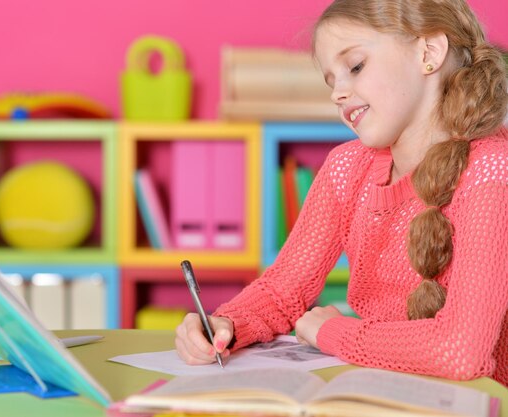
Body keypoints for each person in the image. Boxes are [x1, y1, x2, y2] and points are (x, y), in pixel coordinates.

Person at [175, 0, 508, 386]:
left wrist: (334, 333)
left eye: (355, 67)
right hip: (389, 391)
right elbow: (282, 293)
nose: (338, 94)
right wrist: (225, 324)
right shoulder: (347, 169)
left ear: (428, 53)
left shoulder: (492, 171)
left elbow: (460, 350)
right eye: (331, 81)